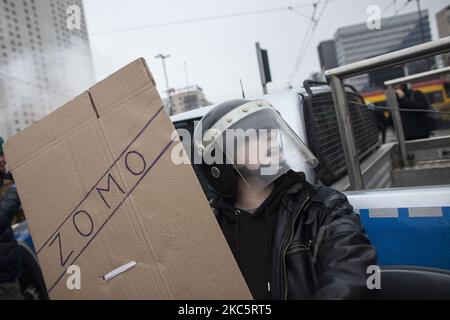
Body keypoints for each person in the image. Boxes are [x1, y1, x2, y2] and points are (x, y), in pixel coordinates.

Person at [193, 99, 377, 300]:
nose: (270, 138)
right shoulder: (210, 227)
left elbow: (353, 272)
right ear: (221, 158)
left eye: (270, 130)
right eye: (253, 134)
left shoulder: (324, 208)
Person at [0, 136, 23, 300]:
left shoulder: (7, 180)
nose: (4, 159)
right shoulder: (12, 190)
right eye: (0, 154)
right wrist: (16, 192)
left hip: (10, 274)